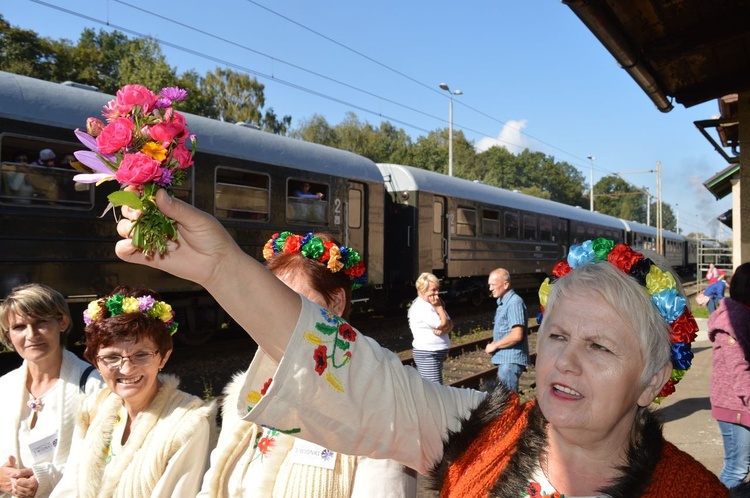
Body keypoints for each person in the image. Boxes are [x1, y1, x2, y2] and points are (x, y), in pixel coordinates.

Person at [115, 191, 734, 496]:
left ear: (655, 381)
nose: (564, 359)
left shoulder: (692, 493)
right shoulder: (478, 428)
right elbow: (352, 369)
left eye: (601, 348)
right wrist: (222, 267)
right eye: (557, 334)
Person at [198, 231, 415, 497]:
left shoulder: (379, 409)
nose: (275, 316)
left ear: (336, 302)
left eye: (291, 303)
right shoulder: (242, 396)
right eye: (267, 303)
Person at [49, 286, 215, 498]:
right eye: (111, 357)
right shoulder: (94, 408)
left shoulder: (188, 423)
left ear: (163, 357)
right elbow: (71, 485)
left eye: (141, 355)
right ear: (95, 363)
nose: (126, 369)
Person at [0, 283, 103, 498]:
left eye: (41, 323)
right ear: (8, 335)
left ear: (62, 322)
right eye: (19, 327)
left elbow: (103, 460)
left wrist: (45, 479)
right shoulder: (4, 387)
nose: (31, 334)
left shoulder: (92, 385)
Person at [709, 262, 750, 488]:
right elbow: (739, 368)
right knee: (736, 469)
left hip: (739, 403)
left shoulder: (742, 314)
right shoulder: (733, 321)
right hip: (734, 405)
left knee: (742, 465)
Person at [484, 268, 529, 392]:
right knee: (506, 400)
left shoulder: (514, 303)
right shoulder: (503, 303)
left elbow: (517, 335)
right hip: (506, 361)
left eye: (493, 284)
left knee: (508, 401)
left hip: (510, 362)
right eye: (489, 285)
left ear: (505, 284)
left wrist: (495, 345)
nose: (490, 288)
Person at [407, 272, 453, 384]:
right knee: (434, 390)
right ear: (422, 290)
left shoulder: (432, 303)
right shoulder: (421, 307)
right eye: (433, 290)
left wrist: (446, 327)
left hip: (433, 353)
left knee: (432, 388)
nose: (437, 293)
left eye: (437, 289)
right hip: (428, 353)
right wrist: (439, 308)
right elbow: (442, 323)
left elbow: (449, 323)